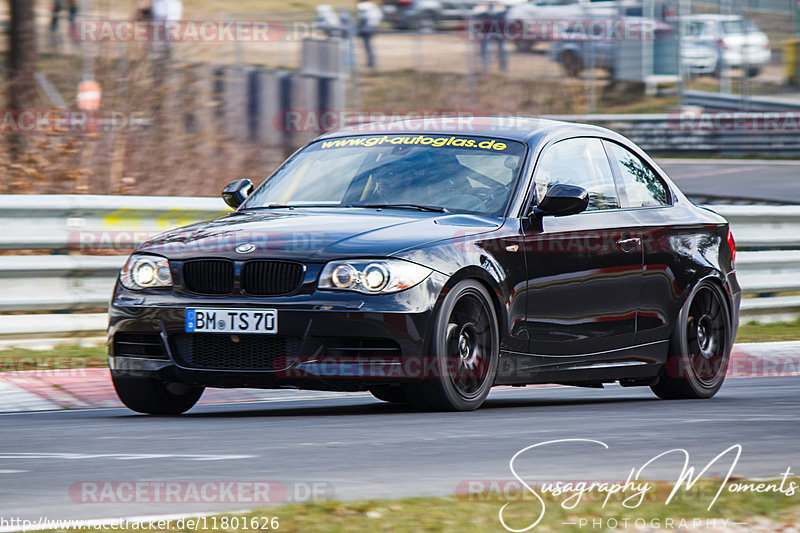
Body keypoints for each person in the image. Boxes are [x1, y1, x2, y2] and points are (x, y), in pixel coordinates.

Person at [474, 1, 508, 73]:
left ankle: (501, 68)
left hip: (496, 25)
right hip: (487, 26)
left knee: (499, 48)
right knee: (486, 47)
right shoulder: (481, 10)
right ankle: (486, 68)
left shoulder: (499, 9)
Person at [356, 1, 382, 68]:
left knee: (369, 47)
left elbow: (374, 21)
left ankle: (371, 62)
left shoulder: (371, 10)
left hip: (368, 31)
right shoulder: (367, 9)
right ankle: (370, 62)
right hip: (365, 31)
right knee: (367, 47)